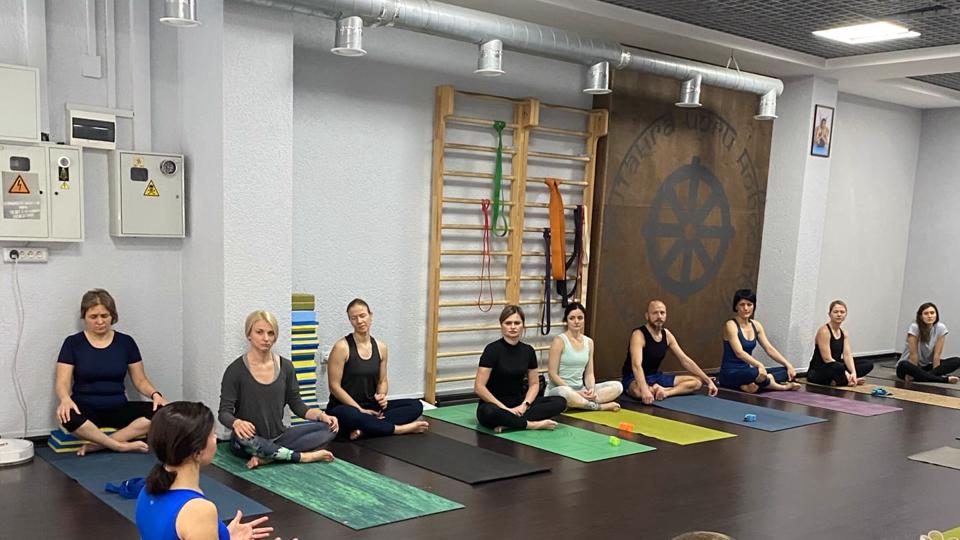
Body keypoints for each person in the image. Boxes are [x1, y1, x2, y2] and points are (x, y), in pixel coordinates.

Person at [136, 401, 294, 540]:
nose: (216, 437)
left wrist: (223, 536)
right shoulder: (199, 510)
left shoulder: (147, 490)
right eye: (212, 435)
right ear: (197, 452)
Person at [219, 310, 337, 470]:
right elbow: (224, 413)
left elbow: (298, 406)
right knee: (243, 441)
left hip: (280, 436)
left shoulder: (286, 367)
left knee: (329, 428)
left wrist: (322, 416)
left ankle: (269, 456)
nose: (266, 338)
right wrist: (237, 423)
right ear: (249, 334)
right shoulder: (235, 370)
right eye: (259, 332)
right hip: (249, 439)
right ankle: (301, 457)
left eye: (271, 333)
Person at [55, 288, 167, 455]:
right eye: (93, 317)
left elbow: (140, 380)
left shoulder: (126, 342)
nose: (100, 321)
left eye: (104, 316)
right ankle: (119, 445)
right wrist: (65, 399)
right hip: (84, 408)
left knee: (164, 412)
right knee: (67, 415)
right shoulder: (72, 343)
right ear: (84, 317)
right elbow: (62, 382)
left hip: (118, 407)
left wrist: (155, 395)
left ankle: (99, 445)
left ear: (112, 316)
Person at [326, 299, 429, 440]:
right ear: (350, 321)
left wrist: (381, 396)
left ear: (370, 315)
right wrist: (360, 410)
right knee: (351, 416)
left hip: (371, 406)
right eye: (354, 318)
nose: (359, 321)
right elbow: (334, 387)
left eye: (362, 315)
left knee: (415, 405)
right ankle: (398, 429)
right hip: (345, 407)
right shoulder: (341, 347)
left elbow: (382, 381)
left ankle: (365, 430)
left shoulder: (381, 347)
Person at [475, 305, 567, 431]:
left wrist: (525, 405)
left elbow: (534, 384)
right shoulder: (492, 350)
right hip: (494, 406)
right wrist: (505, 409)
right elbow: (479, 387)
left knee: (560, 402)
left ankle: (509, 423)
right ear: (501, 325)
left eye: (517, 323)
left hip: (519, 405)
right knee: (489, 412)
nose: (513, 327)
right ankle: (530, 424)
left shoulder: (528, 351)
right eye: (508, 323)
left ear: (523, 325)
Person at [622, 300, 718, 404]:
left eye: (662, 313)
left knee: (696, 383)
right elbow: (636, 365)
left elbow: (685, 360)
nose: (659, 316)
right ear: (647, 316)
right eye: (655, 313)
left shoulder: (667, 334)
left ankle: (665, 392)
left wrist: (708, 381)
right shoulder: (638, 334)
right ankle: (654, 389)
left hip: (655, 377)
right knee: (638, 392)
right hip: (633, 378)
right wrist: (645, 390)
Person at [718, 289, 801, 393]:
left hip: (748, 371)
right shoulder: (730, 325)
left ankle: (750, 384)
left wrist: (788, 365)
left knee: (785, 371)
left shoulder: (756, 325)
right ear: (736, 307)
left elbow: (769, 348)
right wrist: (759, 365)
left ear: (754, 306)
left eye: (749, 304)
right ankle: (778, 386)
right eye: (742, 305)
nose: (746, 308)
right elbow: (739, 353)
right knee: (756, 373)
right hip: (731, 372)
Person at [545, 302, 622, 410]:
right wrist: (574, 392)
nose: (576, 321)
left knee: (618, 386)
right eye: (572, 318)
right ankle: (597, 406)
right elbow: (552, 374)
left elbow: (589, 373)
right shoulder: (559, 341)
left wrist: (591, 390)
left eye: (580, 318)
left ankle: (582, 403)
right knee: (565, 393)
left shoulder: (589, 342)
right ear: (566, 320)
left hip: (581, 389)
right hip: (561, 390)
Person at [806, 300, 873, 386]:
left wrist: (853, 373)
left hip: (837, 367)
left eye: (842, 312)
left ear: (845, 315)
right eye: (835, 312)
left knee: (867, 364)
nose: (839, 314)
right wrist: (846, 373)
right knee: (838, 367)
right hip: (819, 370)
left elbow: (847, 355)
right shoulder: (824, 331)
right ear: (829, 314)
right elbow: (827, 359)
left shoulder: (844, 333)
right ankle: (846, 380)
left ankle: (845, 379)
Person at [895, 302, 960, 384]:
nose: (930, 316)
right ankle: (942, 380)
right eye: (926, 313)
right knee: (903, 364)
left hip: (926, 367)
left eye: (932, 313)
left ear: (936, 315)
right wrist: (912, 372)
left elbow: (937, 354)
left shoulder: (941, 328)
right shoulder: (914, 327)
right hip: (910, 366)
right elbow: (913, 354)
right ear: (920, 316)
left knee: (957, 361)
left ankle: (923, 377)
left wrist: (937, 371)